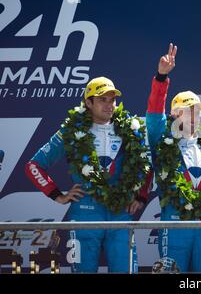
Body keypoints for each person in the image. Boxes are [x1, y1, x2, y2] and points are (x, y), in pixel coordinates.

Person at [25, 76, 151, 273]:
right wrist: (57, 195)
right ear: (88, 102)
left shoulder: (129, 130)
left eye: (112, 100)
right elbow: (34, 165)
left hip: (119, 214)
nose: (109, 105)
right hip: (85, 212)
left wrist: (141, 196)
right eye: (102, 99)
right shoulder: (70, 131)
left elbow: (146, 164)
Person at [146, 43, 201, 272]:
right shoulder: (163, 140)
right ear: (174, 115)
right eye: (186, 111)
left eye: (196, 111)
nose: (193, 116)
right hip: (174, 225)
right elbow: (154, 113)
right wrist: (161, 77)